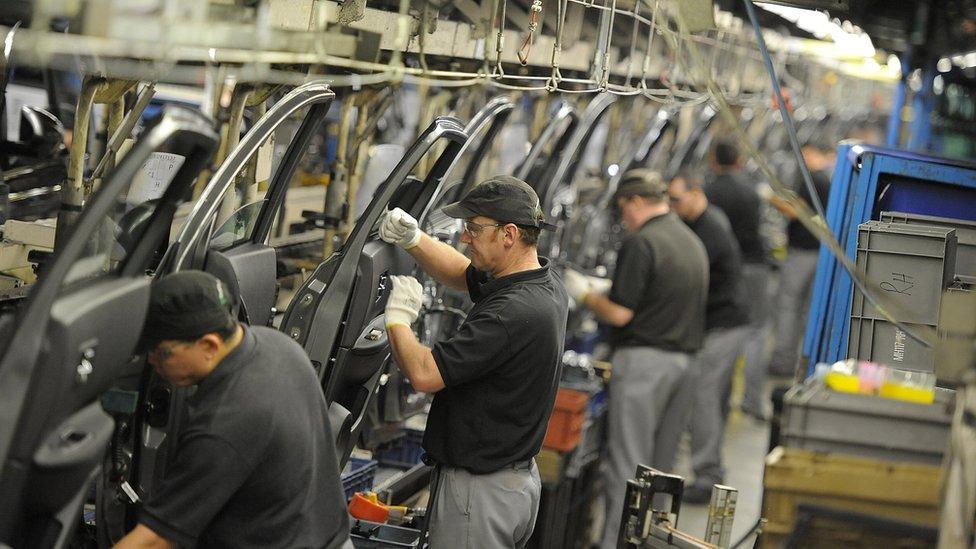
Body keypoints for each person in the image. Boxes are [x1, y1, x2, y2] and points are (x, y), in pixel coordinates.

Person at [378, 175, 568, 549]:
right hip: (511, 483)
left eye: (473, 229)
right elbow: (463, 275)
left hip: (481, 493)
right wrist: (413, 240)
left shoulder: (511, 314)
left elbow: (424, 373)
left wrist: (397, 318)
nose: (465, 238)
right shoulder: (540, 282)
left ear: (509, 234)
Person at [115, 271, 351, 549]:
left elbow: (154, 541)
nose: (153, 362)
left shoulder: (225, 424)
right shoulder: (279, 346)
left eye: (161, 353)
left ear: (209, 345)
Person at [564, 169, 708, 549]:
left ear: (637, 202)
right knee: (660, 472)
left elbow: (620, 314)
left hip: (646, 365)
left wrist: (584, 295)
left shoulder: (641, 242)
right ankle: (650, 543)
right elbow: (660, 294)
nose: (623, 217)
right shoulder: (689, 239)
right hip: (686, 365)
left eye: (623, 208)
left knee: (628, 468)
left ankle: (615, 543)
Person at [668, 169, 750, 503]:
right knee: (709, 398)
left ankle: (707, 475)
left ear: (696, 191)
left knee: (703, 398)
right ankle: (706, 468)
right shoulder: (704, 219)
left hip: (723, 326)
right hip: (721, 322)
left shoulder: (709, 232)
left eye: (676, 199)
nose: (672, 207)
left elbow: (687, 282)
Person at [705, 137, 773, 420]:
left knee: (723, 335)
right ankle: (753, 402)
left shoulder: (709, 192)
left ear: (713, 162)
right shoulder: (751, 190)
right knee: (755, 333)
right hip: (755, 268)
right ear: (739, 161)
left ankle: (719, 403)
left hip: (726, 272)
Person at [769, 136, 834, 377]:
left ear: (809, 151)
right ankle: (804, 362)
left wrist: (771, 198)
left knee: (788, 307)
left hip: (802, 253)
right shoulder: (825, 179)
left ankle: (783, 363)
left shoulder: (812, 178)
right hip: (818, 253)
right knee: (806, 309)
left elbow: (799, 211)